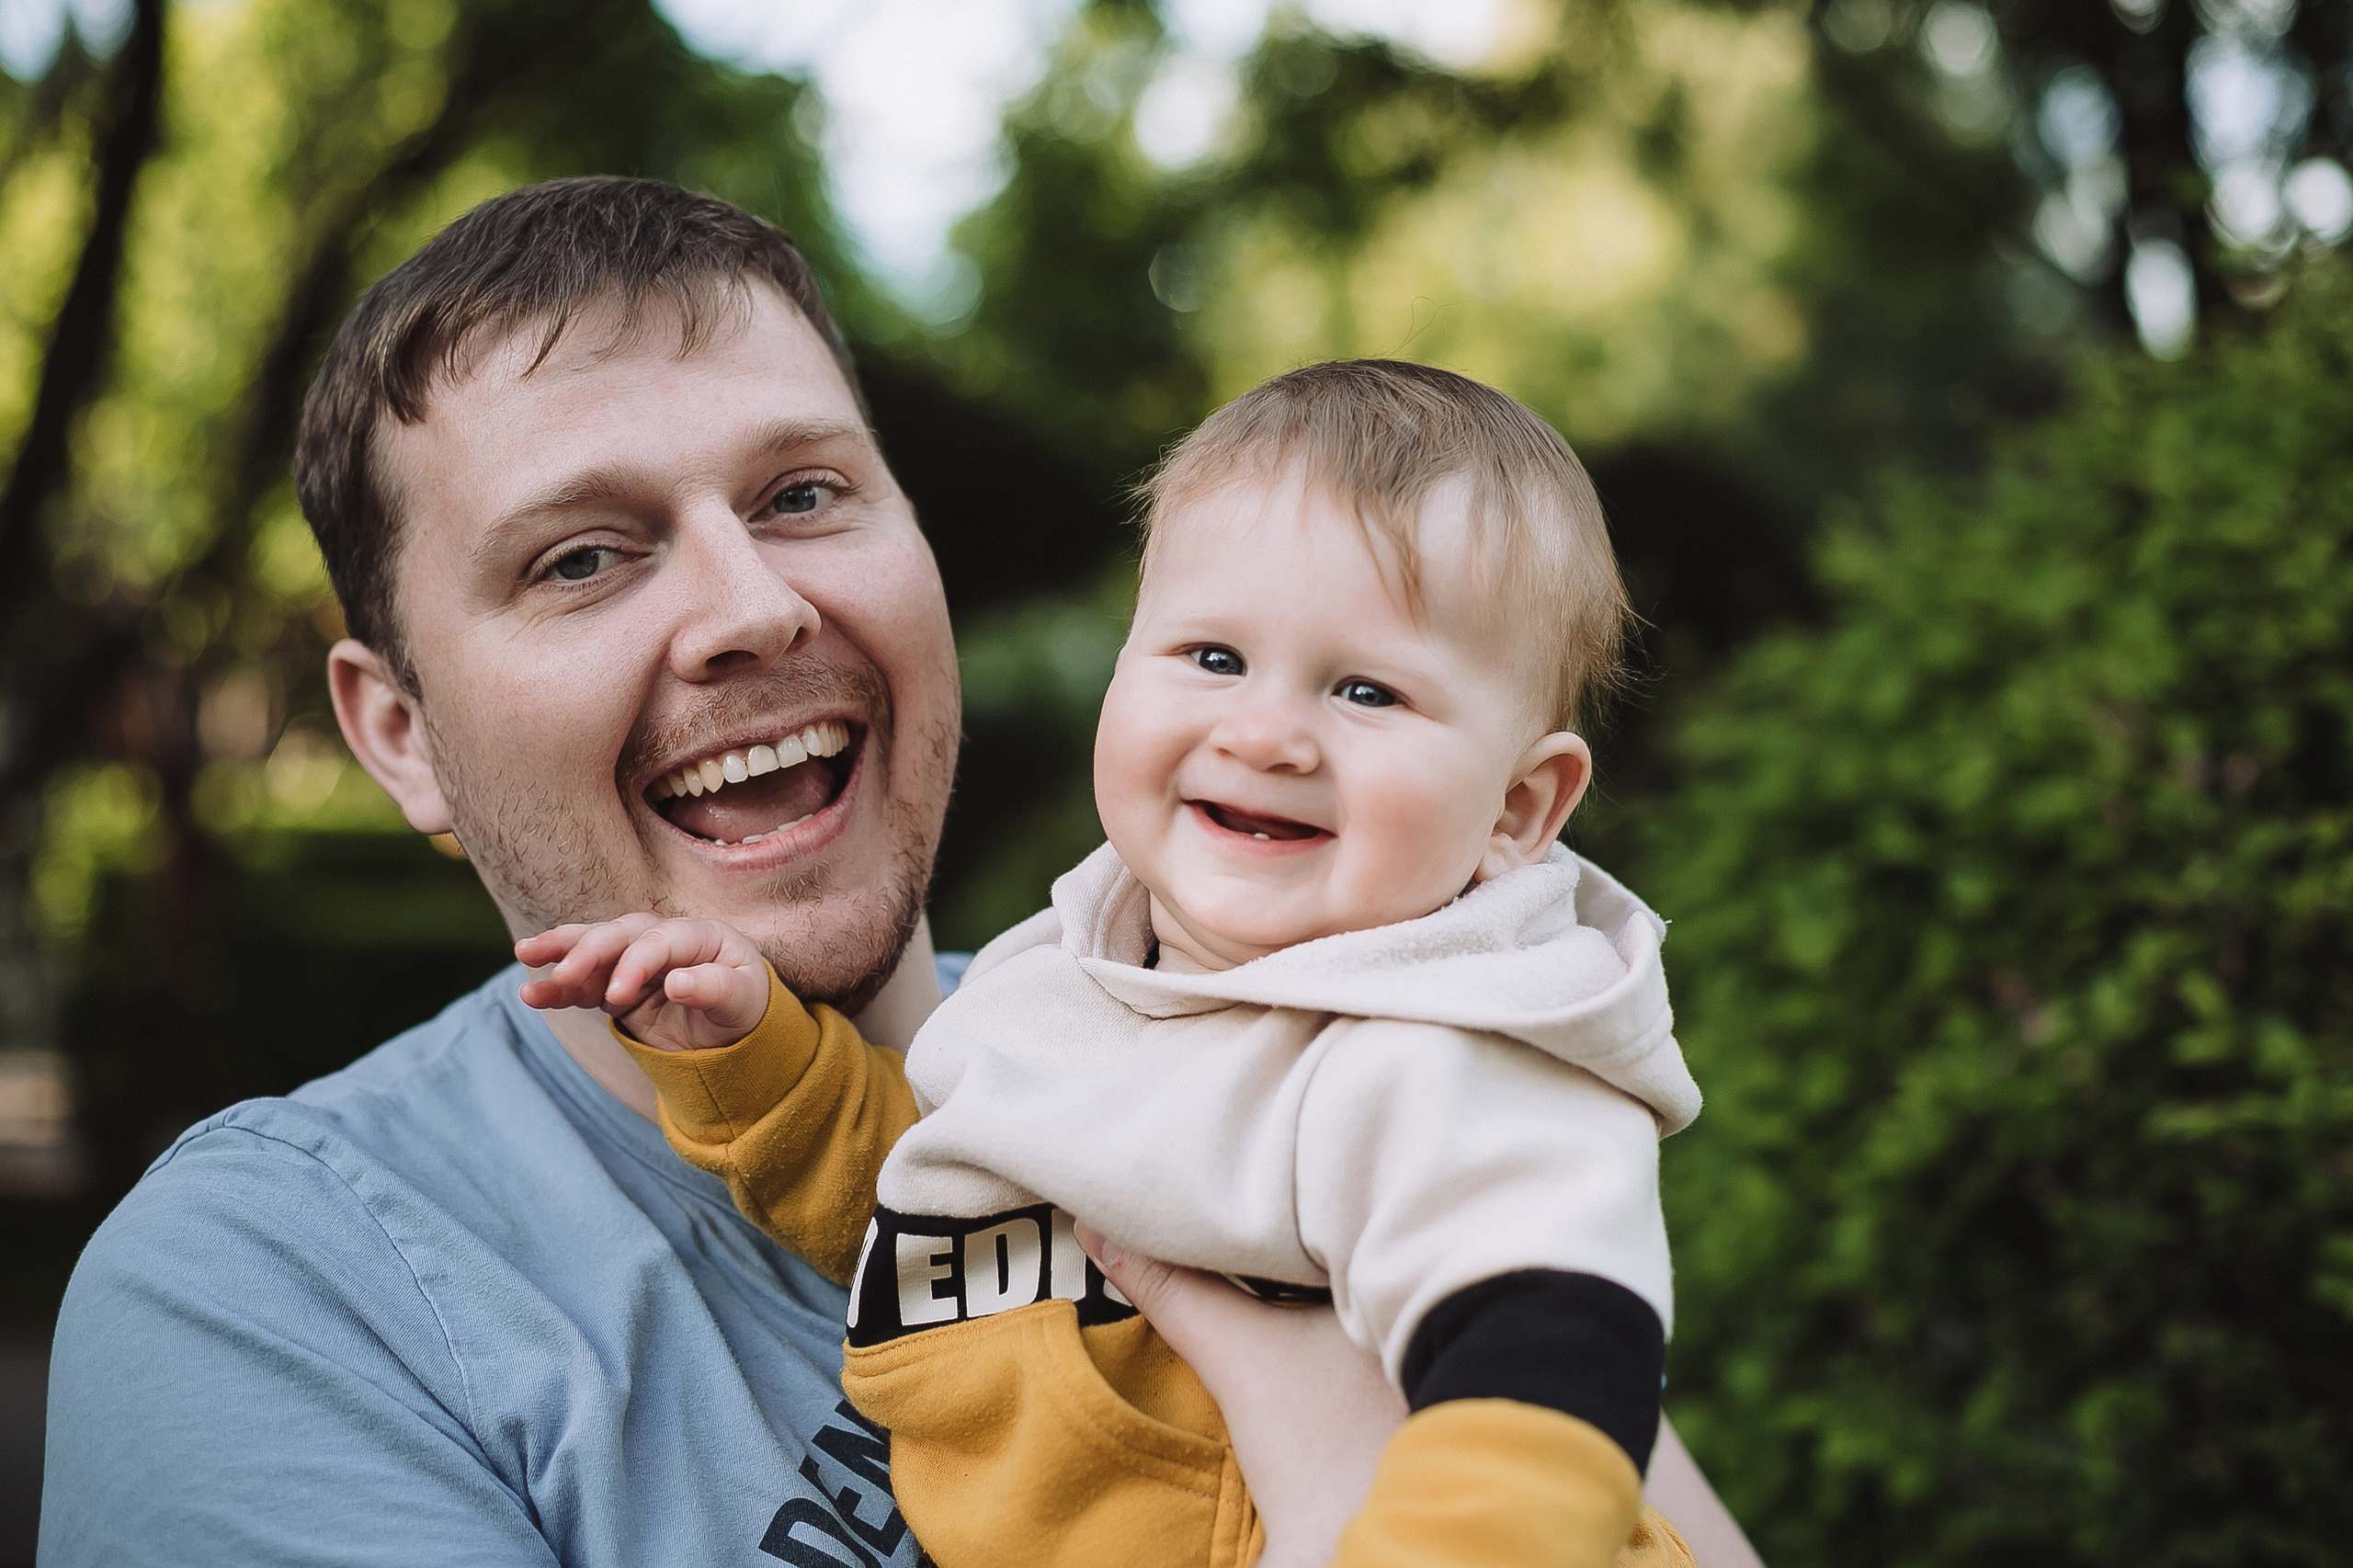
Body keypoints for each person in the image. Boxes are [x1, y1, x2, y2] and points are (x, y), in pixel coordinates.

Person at [37, 176, 1759, 1567]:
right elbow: (907, 1170)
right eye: (581, 557)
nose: (753, 605)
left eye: (802, 495)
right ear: (398, 731)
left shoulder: (1380, 1038)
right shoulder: (279, 1292)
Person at [518, 360, 1698, 1568]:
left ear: (1517, 806)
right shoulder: (1067, 978)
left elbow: (1548, 1385)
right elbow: (944, 1189)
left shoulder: (1458, 1052)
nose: (1264, 733)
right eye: (1215, 657)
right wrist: (760, 1065)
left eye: (1366, 690)